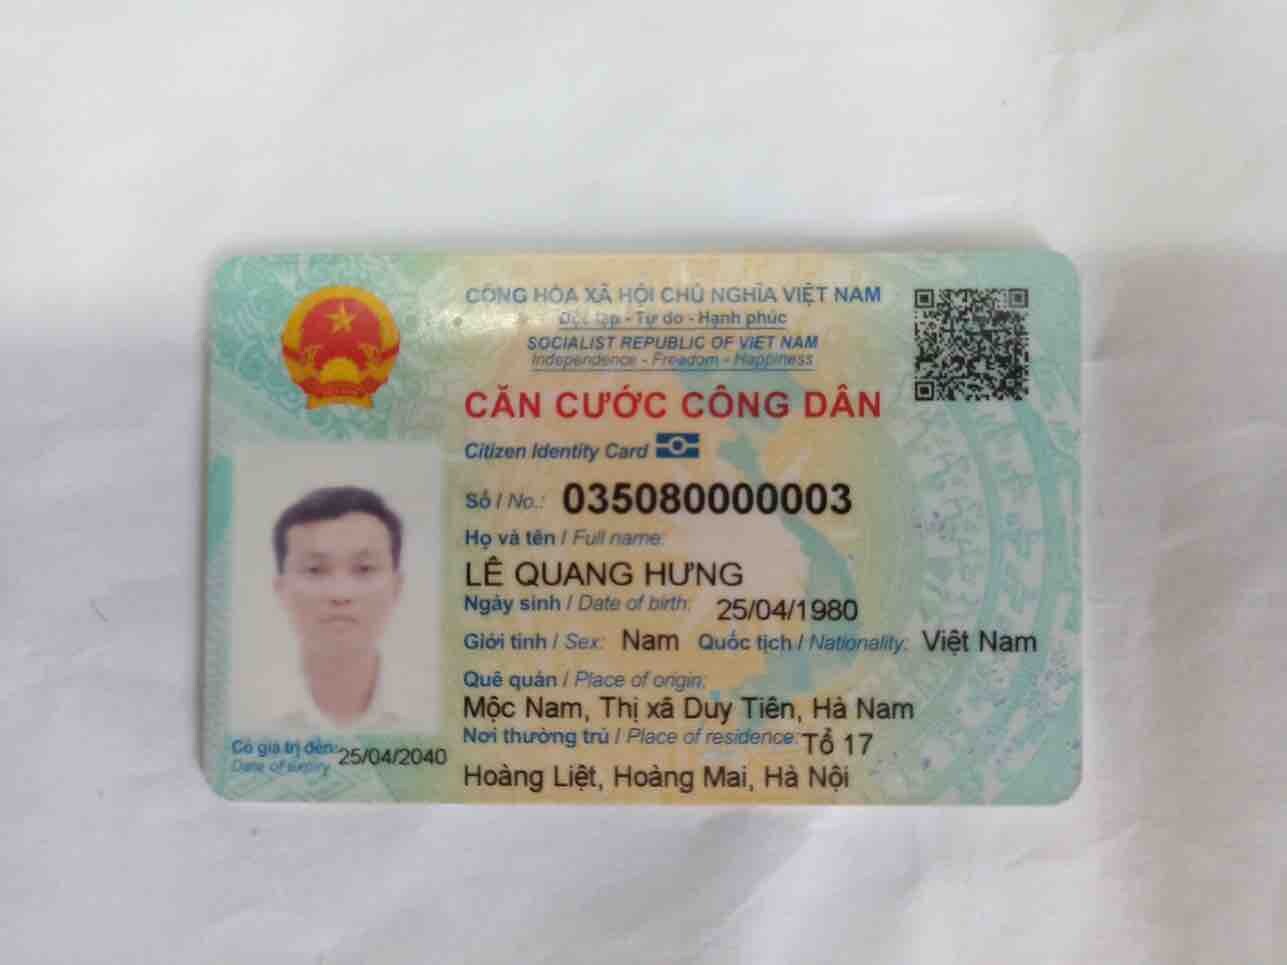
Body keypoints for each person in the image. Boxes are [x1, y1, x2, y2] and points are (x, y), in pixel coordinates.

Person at [271, 485, 406, 730]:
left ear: (396, 587)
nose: (340, 594)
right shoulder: (245, 716)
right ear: (281, 589)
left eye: (364, 569)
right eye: (315, 570)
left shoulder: (437, 714)